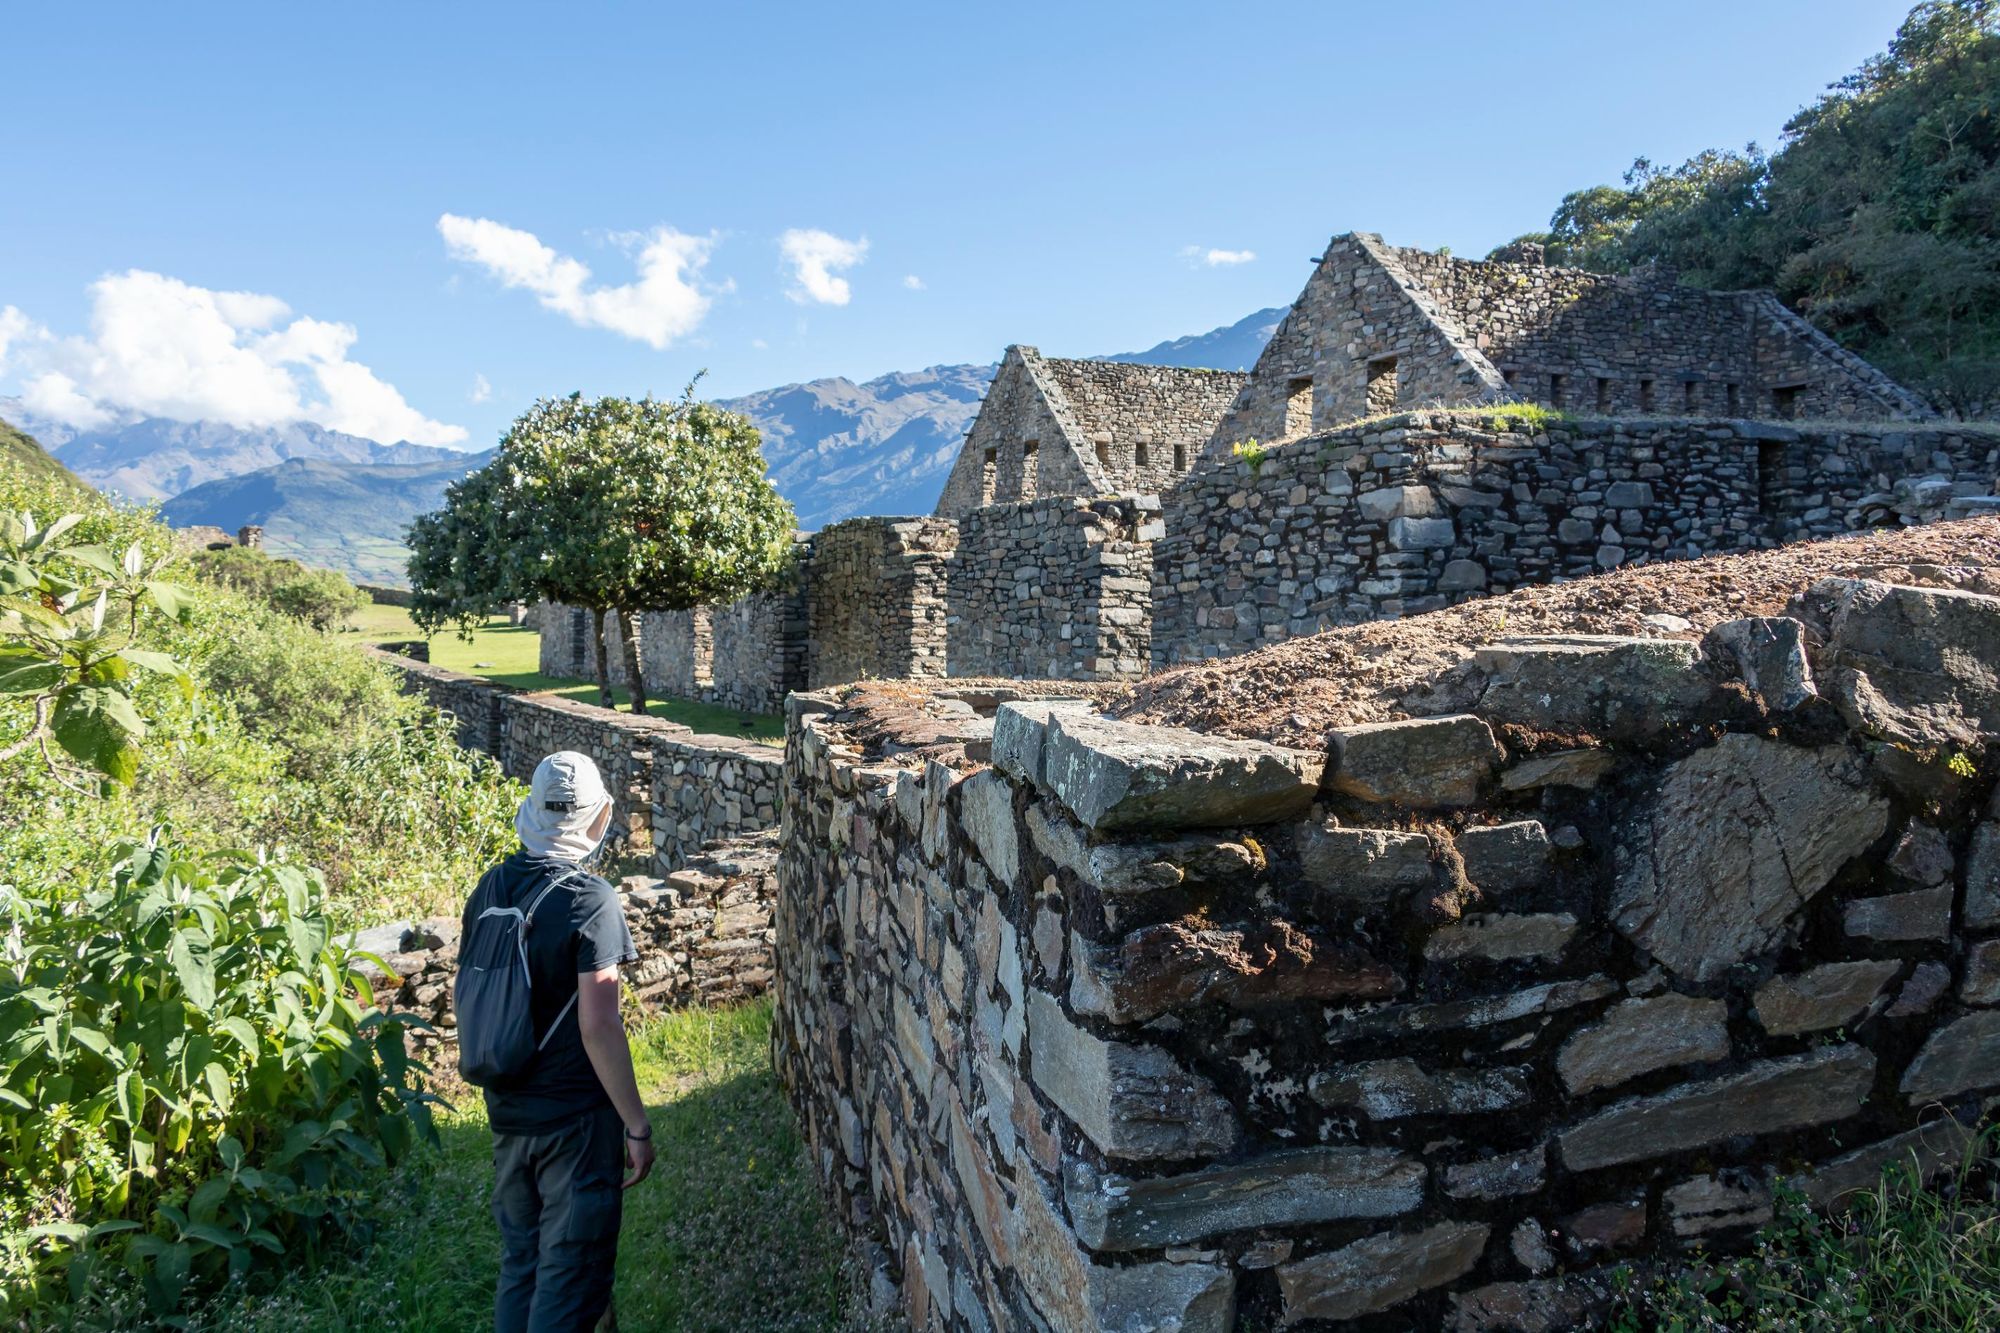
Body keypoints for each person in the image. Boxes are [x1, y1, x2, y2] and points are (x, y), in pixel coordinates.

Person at [465, 751, 656, 1332]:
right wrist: (637, 1124)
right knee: (569, 1277)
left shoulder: (492, 885)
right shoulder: (589, 899)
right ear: (596, 817)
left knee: (521, 1266)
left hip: (508, 1113)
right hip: (573, 1122)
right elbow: (598, 1026)